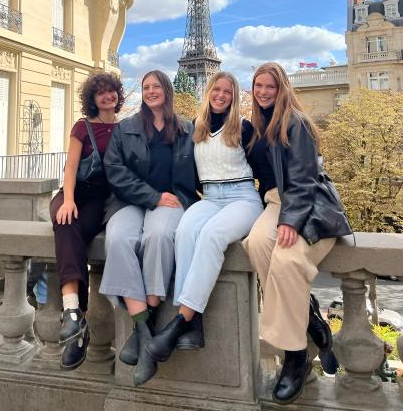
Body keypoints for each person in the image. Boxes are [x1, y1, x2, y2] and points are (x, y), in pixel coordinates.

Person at [242, 62, 352, 405]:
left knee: (287, 263)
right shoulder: (259, 125)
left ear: (282, 88)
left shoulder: (295, 122)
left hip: (307, 206)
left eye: (269, 87)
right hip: (276, 203)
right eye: (257, 86)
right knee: (256, 244)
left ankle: (295, 356)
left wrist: (290, 221)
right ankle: (310, 317)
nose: (262, 92)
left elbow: (304, 179)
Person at [146, 72, 263, 366]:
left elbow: (265, 168)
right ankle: (194, 321)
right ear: (208, 91)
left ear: (234, 97)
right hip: (209, 197)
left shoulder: (244, 128)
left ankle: (181, 320)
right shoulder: (195, 129)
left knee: (212, 235)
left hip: (243, 197)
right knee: (185, 230)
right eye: (217, 90)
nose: (221, 95)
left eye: (227, 91)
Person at [100, 69, 198, 387]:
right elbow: (115, 172)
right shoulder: (126, 127)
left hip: (171, 202)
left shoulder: (186, 128)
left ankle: (149, 314)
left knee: (158, 236)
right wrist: (152, 196)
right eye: (146, 87)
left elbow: (204, 167)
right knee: (117, 239)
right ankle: (144, 330)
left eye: (156, 86)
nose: (151, 91)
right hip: (132, 201)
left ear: (167, 90)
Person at [49, 72, 124, 370]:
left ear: (118, 95)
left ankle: (76, 332)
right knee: (65, 222)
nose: (107, 96)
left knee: (75, 233)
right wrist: (67, 200)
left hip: (98, 198)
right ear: (92, 99)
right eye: (100, 93)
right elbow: (70, 167)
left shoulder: (125, 129)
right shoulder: (82, 127)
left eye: (111, 91)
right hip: (74, 191)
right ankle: (72, 312)